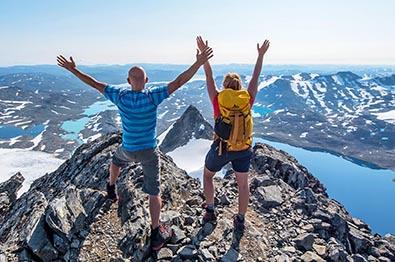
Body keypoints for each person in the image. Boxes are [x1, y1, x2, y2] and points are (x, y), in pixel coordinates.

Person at [56, 45, 213, 251]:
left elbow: (95, 84)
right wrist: (199, 62)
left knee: (115, 160)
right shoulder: (152, 96)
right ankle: (156, 233)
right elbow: (179, 81)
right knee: (154, 192)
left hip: (128, 148)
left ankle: (111, 188)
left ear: (128, 81)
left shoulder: (120, 95)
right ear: (146, 81)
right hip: (149, 152)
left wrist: (73, 70)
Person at [196, 36, 270, 232]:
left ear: (226, 86)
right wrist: (260, 55)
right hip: (244, 148)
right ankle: (240, 219)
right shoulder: (247, 100)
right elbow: (256, 77)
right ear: (239, 87)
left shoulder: (218, 100)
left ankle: (210, 211)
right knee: (243, 185)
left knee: (208, 176)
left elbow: (209, 77)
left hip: (222, 148)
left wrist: (204, 57)